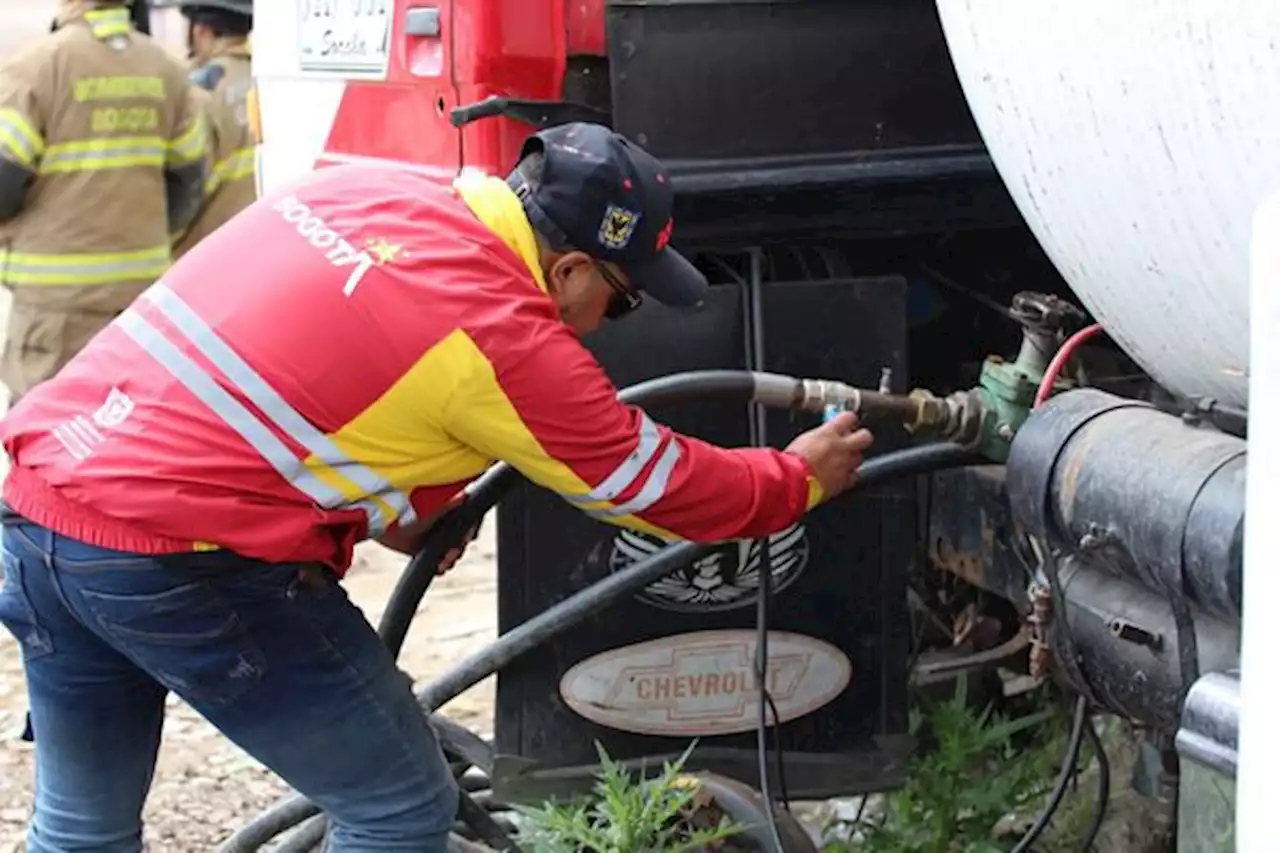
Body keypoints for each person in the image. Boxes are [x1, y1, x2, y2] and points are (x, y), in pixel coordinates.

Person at [0, 122, 875, 853]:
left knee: (82, 826)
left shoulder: (372, 191)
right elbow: (645, 481)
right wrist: (796, 479)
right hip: (174, 562)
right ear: (569, 269)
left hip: (39, 505)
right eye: (621, 300)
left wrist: (400, 511)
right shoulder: (503, 326)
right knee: (399, 810)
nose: (608, 323)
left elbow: (320, 367)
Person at [0, 0, 210, 404]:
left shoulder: (39, 66)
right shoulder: (165, 70)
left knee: (47, 431)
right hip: (139, 297)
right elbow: (188, 181)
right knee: (118, 435)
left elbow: (4, 182)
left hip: (57, 305)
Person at [154, 0, 256, 258]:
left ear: (201, 32)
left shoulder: (197, 95)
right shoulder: (265, 81)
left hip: (201, 256)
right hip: (255, 249)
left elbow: (184, 188)